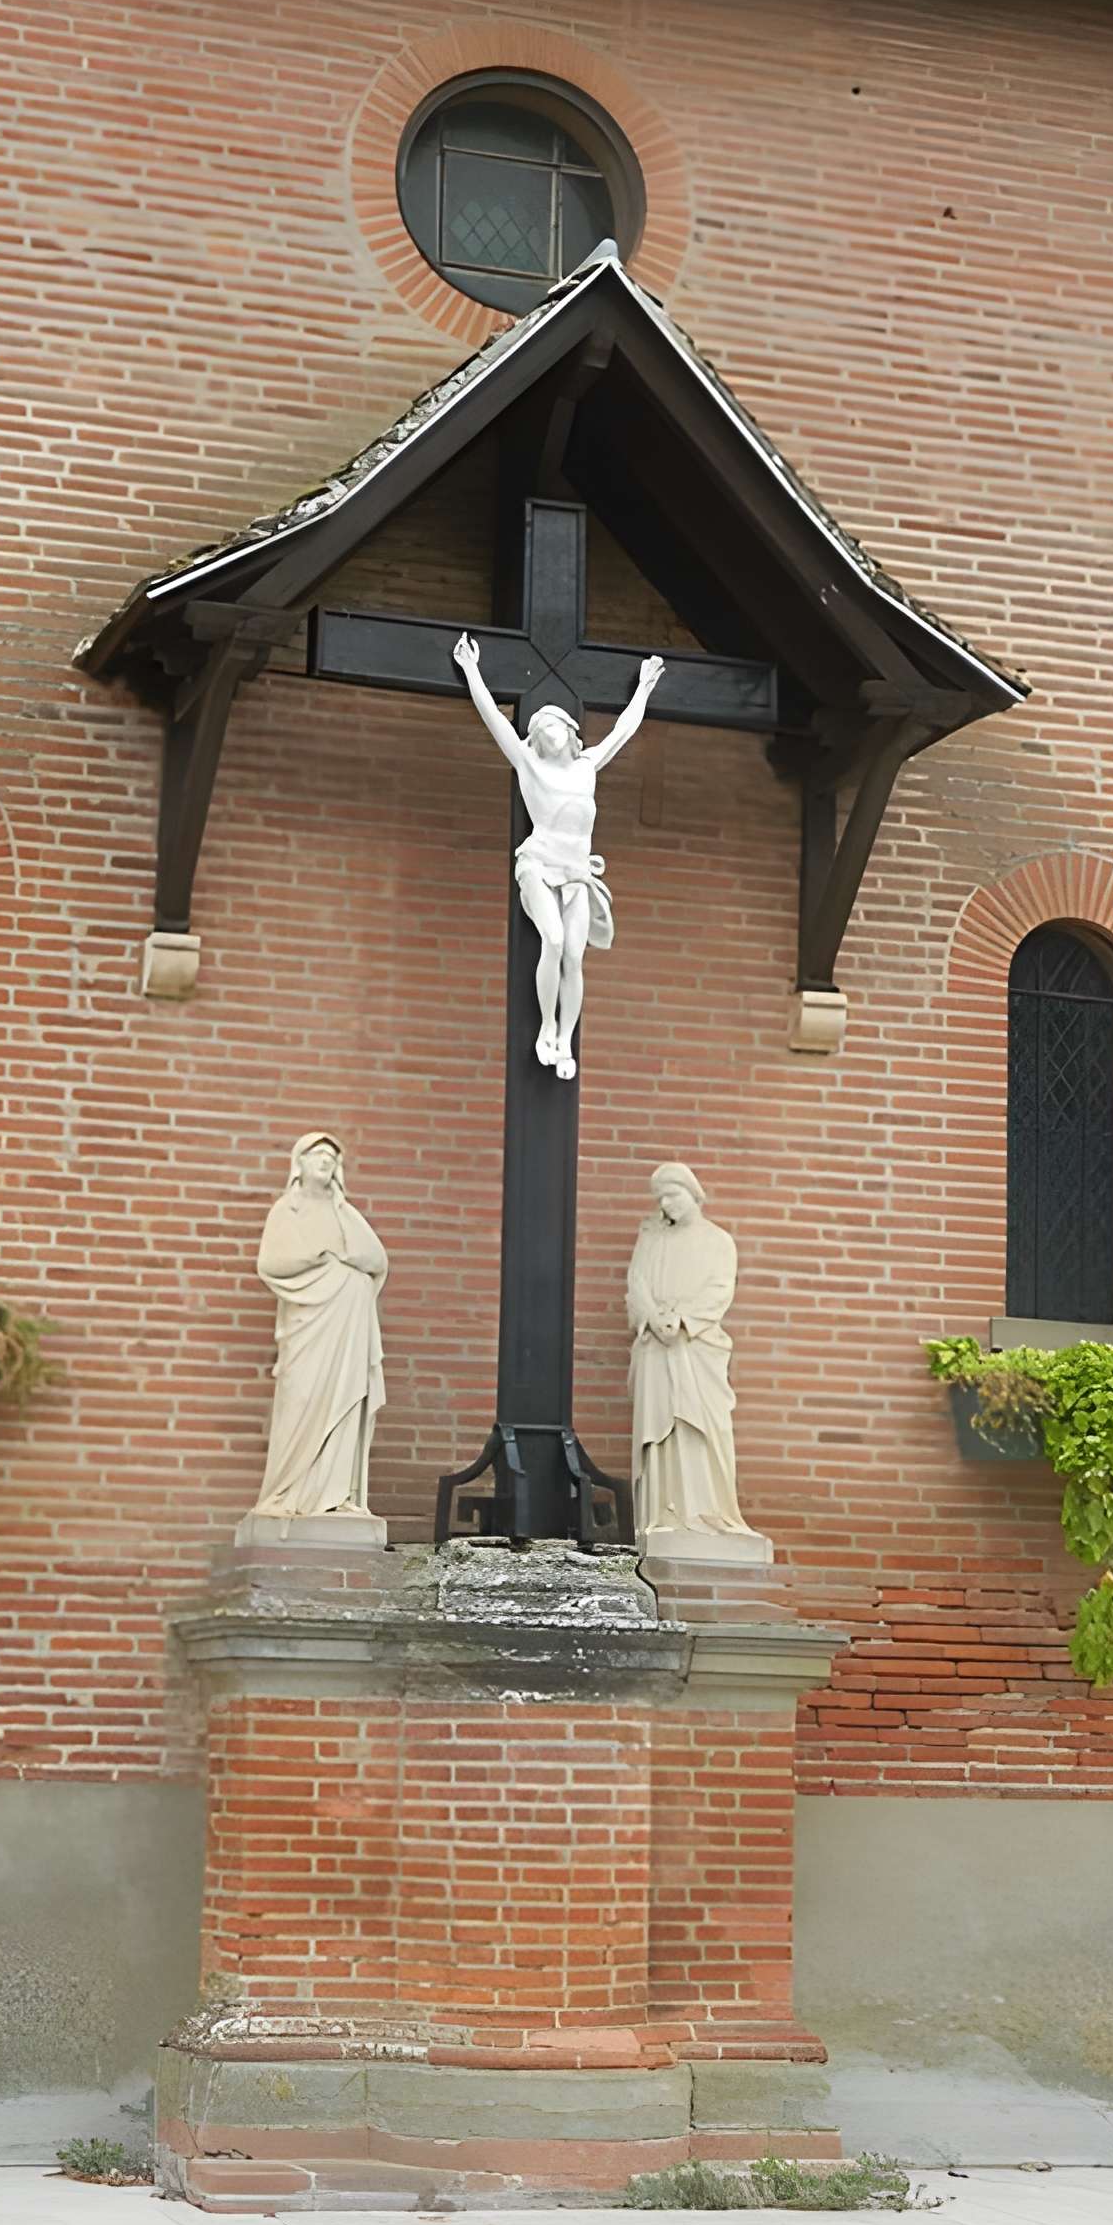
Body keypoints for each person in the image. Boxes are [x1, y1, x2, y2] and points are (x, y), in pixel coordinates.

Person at [452, 634, 664, 1080]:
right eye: (539, 730)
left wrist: (644, 687)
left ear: (569, 732)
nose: (546, 733)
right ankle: (545, 1025)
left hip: (577, 872)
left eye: (553, 727)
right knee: (550, 940)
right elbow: (495, 721)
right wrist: (472, 670)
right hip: (540, 864)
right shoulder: (531, 766)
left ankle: (565, 1037)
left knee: (574, 955)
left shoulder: (586, 765)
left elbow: (624, 730)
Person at [249, 1132, 389, 1518]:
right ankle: (286, 1491)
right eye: (317, 1156)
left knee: (344, 1404)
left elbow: (376, 1259)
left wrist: (343, 1261)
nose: (325, 1162)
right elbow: (272, 1264)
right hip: (307, 1329)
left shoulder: (345, 1213)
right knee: (302, 1401)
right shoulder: (286, 1211)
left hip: (346, 1331)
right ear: (300, 1163)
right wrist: (323, 1259)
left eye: (331, 1158)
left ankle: (337, 1496)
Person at [625, 1161, 756, 1543]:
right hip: (654, 1347)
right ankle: (661, 1514)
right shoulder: (651, 1239)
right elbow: (636, 1284)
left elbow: (719, 1290)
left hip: (697, 1348)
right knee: (659, 1431)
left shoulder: (718, 1240)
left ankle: (704, 1509)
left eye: (673, 1194)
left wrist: (681, 1321)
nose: (667, 1203)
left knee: (702, 1425)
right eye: (661, 1198)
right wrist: (652, 1317)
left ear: (693, 1193)